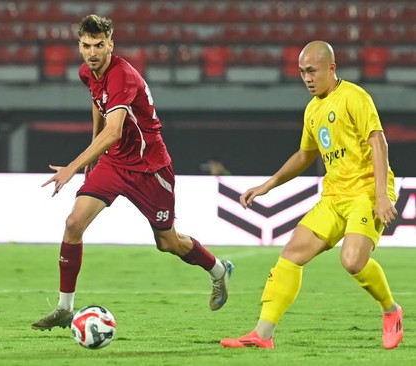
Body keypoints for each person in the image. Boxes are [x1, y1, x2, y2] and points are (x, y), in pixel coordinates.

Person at [31, 14, 234, 331]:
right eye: (87, 45)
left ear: (111, 44)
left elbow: (114, 131)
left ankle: (218, 270)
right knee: (73, 224)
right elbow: (99, 107)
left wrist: (72, 166)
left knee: (167, 242)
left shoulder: (122, 76)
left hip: (149, 168)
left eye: (99, 45)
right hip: (114, 163)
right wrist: (91, 155)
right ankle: (64, 308)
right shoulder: (88, 72)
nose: (93, 52)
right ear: (79, 46)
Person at [220, 40, 403, 350]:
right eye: (302, 72)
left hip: (366, 193)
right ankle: (262, 334)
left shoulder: (355, 97)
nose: (306, 78)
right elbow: (305, 156)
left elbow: (379, 143)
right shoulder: (313, 109)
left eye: (312, 71)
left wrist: (382, 197)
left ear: (331, 68)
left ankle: (390, 310)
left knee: (353, 261)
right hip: (334, 197)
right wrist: (268, 185)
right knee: (291, 255)